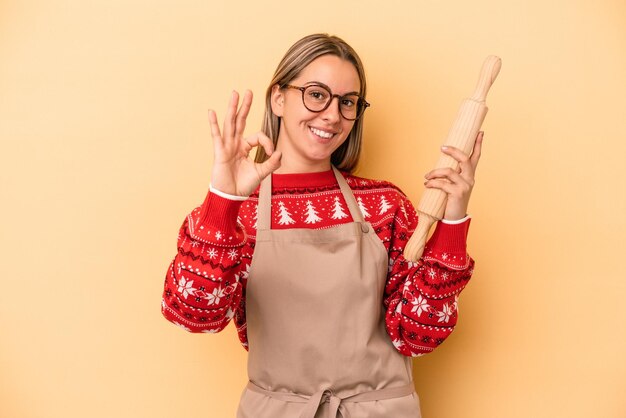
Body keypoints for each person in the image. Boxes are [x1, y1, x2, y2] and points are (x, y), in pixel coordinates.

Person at [161, 33, 483, 418]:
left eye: (347, 102)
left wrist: (452, 221)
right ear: (278, 98)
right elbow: (194, 315)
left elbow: (419, 335)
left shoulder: (384, 205)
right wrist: (223, 199)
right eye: (317, 94)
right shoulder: (239, 214)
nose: (332, 115)